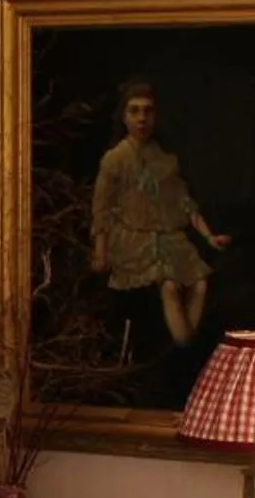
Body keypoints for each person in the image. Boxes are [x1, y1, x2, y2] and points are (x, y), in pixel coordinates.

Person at [89, 80, 229, 349]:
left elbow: (184, 204)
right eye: (134, 111)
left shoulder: (164, 158)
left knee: (199, 284)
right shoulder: (115, 159)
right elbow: (101, 208)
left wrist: (209, 237)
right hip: (134, 240)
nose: (142, 118)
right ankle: (187, 352)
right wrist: (100, 251)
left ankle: (187, 347)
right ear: (123, 116)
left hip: (169, 239)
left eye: (148, 111)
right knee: (169, 286)